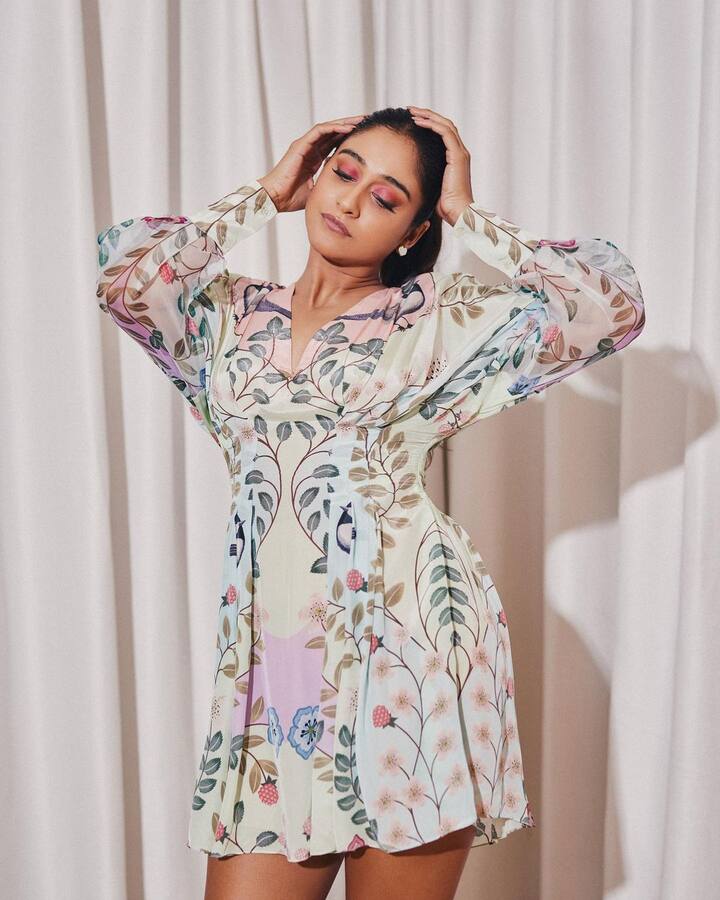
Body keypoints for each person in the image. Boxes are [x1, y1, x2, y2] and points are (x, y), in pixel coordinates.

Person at [96, 106, 646, 900]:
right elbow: (124, 282)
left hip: (408, 652)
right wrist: (267, 191)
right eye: (343, 172)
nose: (350, 201)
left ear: (414, 229)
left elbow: (608, 310)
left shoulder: (441, 320)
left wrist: (466, 213)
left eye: (386, 197)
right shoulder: (223, 314)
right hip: (274, 670)